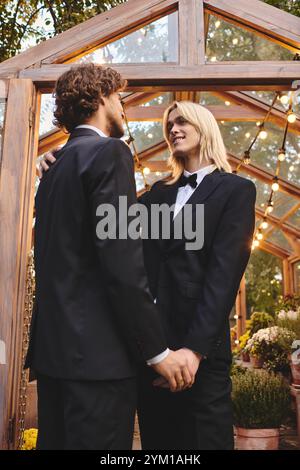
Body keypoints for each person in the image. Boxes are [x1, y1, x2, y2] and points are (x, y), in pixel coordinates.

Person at [25, 64, 195, 451]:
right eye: (119, 99)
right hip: (98, 365)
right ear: (101, 98)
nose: (124, 108)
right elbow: (122, 265)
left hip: (54, 360)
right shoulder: (110, 153)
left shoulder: (52, 168)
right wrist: (157, 352)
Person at [136, 101, 256, 449]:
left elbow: (224, 277)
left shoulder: (236, 190)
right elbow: (108, 222)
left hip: (203, 358)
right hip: (155, 358)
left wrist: (193, 352)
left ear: (204, 127)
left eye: (182, 121)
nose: (173, 129)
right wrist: (56, 161)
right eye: (169, 124)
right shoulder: (156, 196)